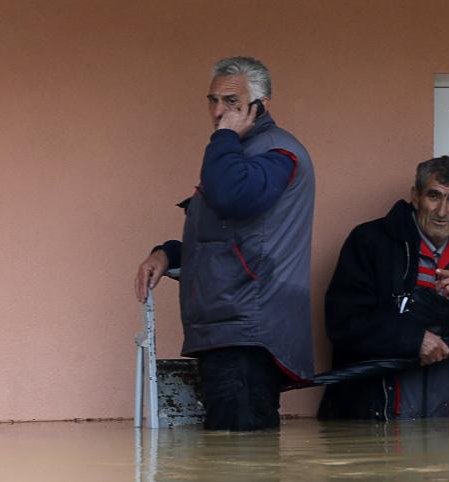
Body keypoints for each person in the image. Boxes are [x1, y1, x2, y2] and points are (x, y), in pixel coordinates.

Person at [134, 56, 314, 431]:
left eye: (232, 102)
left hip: (247, 331)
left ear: (259, 105)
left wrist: (225, 136)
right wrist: (167, 254)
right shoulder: (237, 156)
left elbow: (231, 196)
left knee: (241, 468)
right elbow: (227, 239)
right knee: (228, 470)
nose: (219, 112)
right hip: (230, 327)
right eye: (213, 101)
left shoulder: (276, 152)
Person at [318, 156, 449, 420]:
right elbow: (343, 323)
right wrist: (413, 340)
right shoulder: (370, 241)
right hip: (375, 413)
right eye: (434, 196)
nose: (442, 211)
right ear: (415, 196)